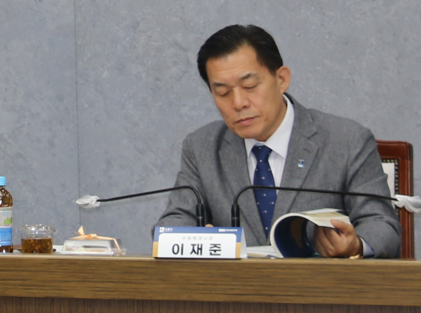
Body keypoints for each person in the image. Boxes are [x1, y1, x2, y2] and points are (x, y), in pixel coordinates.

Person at [156, 25, 401, 258]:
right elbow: (173, 222)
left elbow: (383, 226)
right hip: (233, 287)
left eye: (250, 86)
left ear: (281, 79)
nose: (238, 103)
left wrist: (355, 245)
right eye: (223, 93)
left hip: (318, 286)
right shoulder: (201, 147)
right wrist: (194, 240)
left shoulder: (346, 140)